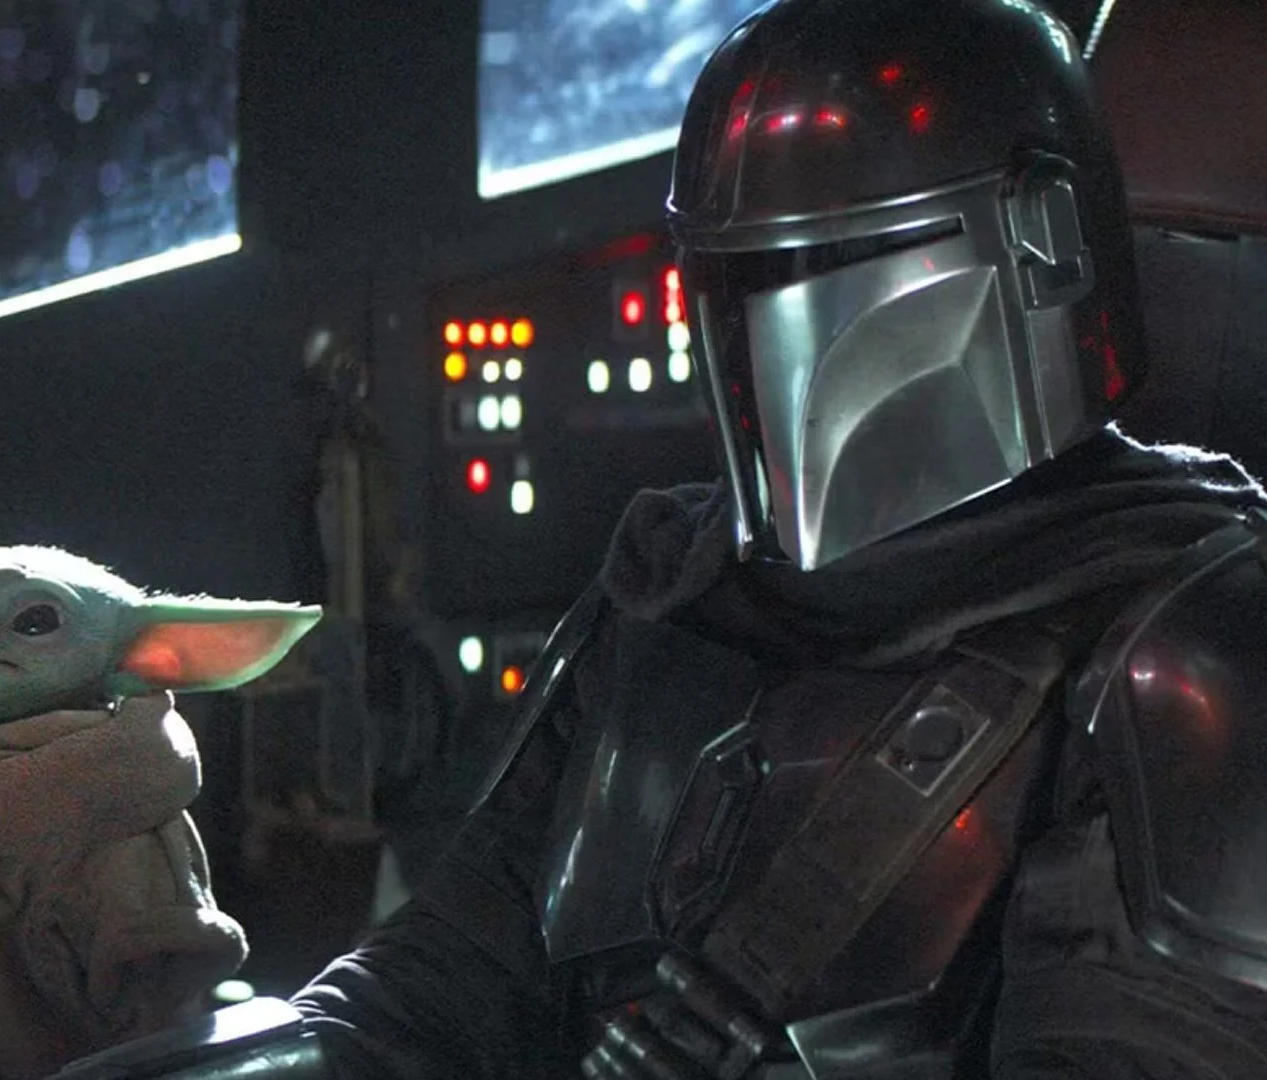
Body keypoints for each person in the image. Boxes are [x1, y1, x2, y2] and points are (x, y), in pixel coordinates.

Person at [278, 0, 1267, 1076]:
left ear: (1039, 243)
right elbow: (439, 981)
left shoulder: (1189, 654)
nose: (767, 336)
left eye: (823, 268)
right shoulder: (670, 585)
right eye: (737, 281)